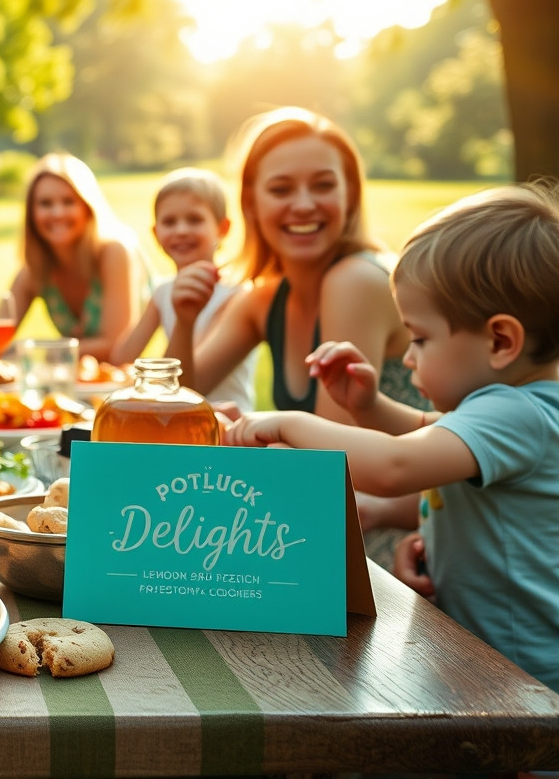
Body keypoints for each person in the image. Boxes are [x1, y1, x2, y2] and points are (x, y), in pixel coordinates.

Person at [223, 183, 559, 693]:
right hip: (481, 659)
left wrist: (290, 422)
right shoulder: (510, 409)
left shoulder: (519, 413)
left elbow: (397, 466)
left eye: (420, 338)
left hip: (524, 677)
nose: (408, 356)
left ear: (500, 341)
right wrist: (369, 407)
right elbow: (427, 436)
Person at [165, 107, 428, 538]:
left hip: (390, 536)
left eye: (323, 185)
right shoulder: (267, 296)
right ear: (252, 202)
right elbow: (170, 405)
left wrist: (242, 428)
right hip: (321, 521)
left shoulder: (356, 280)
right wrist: (186, 320)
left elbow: (324, 467)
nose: (303, 204)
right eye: (281, 188)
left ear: (350, 195)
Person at [0, 153, 149, 361]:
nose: (57, 213)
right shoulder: (34, 271)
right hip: (75, 382)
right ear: (31, 213)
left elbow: (117, 347)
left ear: (87, 206)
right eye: (46, 204)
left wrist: (36, 350)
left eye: (68, 202)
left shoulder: (114, 252)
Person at [110, 168, 256, 414]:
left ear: (223, 228)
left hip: (228, 426)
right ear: (156, 234)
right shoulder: (162, 291)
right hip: (176, 419)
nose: (181, 230)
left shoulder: (236, 294)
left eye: (194, 220)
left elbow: (186, 381)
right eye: (169, 222)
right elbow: (122, 357)